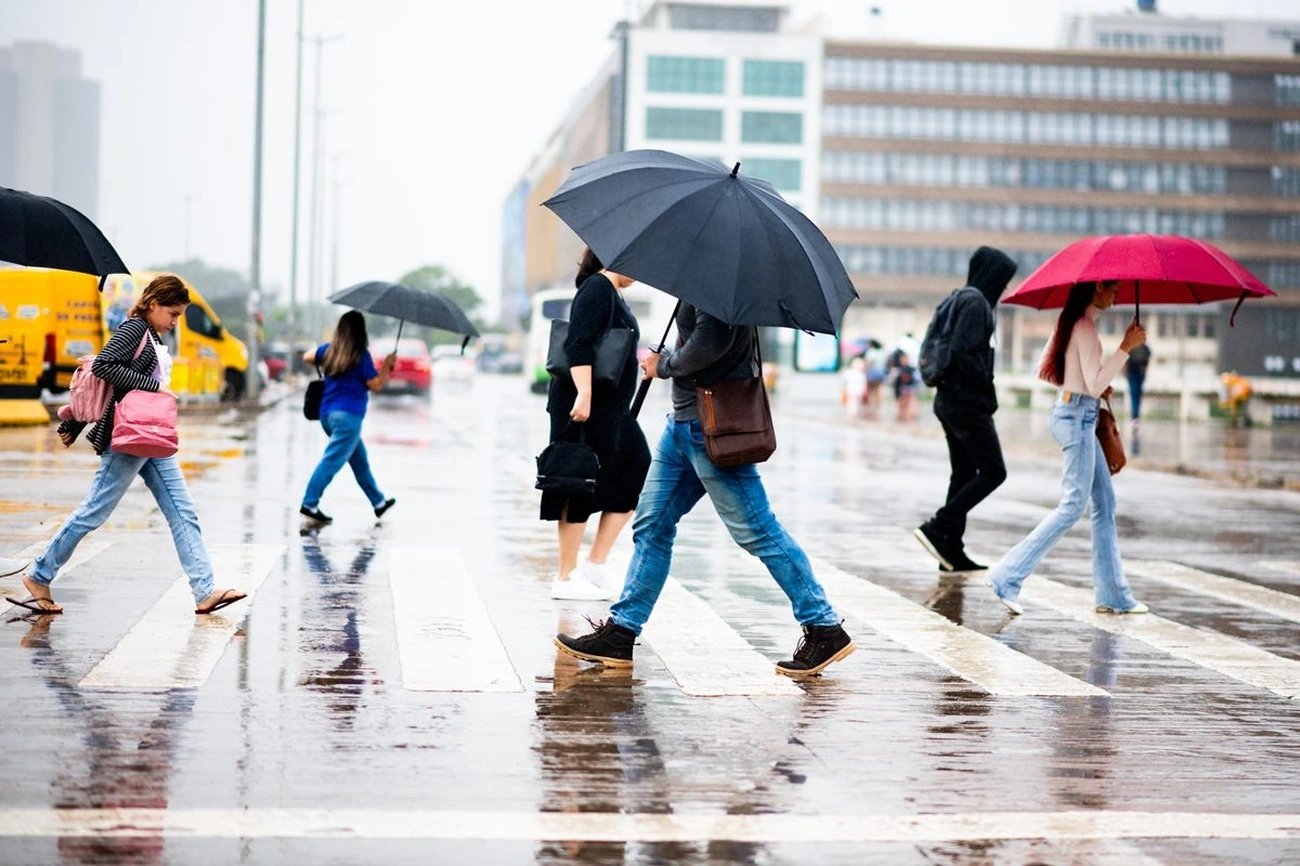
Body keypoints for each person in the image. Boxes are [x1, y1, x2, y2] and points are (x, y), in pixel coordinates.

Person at [554, 303, 855, 678]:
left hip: (713, 429)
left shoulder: (719, 291)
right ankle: (622, 631)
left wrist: (661, 366)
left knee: (757, 531)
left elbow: (708, 345)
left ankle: (824, 626)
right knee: (651, 526)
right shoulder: (699, 283)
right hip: (682, 427)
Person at [6, 274, 247, 616]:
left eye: (179, 315)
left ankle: (204, 590)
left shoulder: (149, 333)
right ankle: (39, 573)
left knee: (183, 511)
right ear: (153, 304)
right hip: (128, 437)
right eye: (173, 314)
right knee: (94, 512)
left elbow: (112, 385)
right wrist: (152, 386)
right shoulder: (134, 329)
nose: (175, 322)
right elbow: (104, 367)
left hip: (150, 437)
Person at [988, 279, 1149, 617]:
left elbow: (1078, 379)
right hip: (1076, 419)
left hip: (1078, 413)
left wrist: (1098, 389)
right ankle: (1007, 575)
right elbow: (1092, 381)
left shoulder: (1073, 323)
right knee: (1074, 505)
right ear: (1097, 288)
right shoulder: (1084, 327)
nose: (1117, 293)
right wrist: (1125, 347)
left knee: (1105, 502)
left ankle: (1113, 595)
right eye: (1113, 288)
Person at [542, 248, 651, 601]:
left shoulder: (613, 294)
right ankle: (565, 575)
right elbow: (579, 343)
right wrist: (584, 394)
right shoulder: (597, 288)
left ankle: (595, 563)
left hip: (611, 411)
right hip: (584, 407)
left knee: (635, 467)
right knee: (578, 481)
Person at [914, 246, 1017, 574]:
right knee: (993, 471)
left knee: (963, 473)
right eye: (1002, 281)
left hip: (949, 400)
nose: (1003, 289)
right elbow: (964, 352)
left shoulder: (960, 297)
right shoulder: (975, 303)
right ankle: (938, 525)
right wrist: (988, 393)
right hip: (965, 402)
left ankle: (950, 548)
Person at [299, 311, 397, 524]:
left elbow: (307, 356)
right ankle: (309, 503)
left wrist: (325, 361)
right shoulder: (360, 356)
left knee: (359, 461)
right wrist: (387, 366)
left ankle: (378, 502)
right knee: (331, 461)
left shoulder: (329, 351)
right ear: (361, 331)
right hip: (349, 417)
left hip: (327, 416)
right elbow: (376, 384)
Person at [1125, 342, 1151, 426]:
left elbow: (1125, 360)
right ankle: (1136, 416)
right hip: (1140, 373)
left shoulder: (1131, 346)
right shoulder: (1145, 347)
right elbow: (1148, 359)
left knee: (1134, 395)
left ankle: (1134, 417)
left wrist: (1125, 372)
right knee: (1138, 395)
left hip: (1132, 373)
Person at [893, 351, 920, 421]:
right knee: (903, 401)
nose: (902, 360)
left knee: (909, 401)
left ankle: (908, 416)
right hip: (904, 388)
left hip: (909, 387)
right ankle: (904, 415)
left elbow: (916, 379)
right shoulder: (900, 368)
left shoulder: (910, 368)